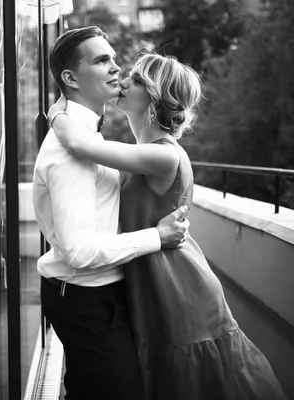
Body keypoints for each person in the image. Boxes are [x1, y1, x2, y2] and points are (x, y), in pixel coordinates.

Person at [48, 52, 285, 399]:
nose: (123, 82)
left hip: (176, 287)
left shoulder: (164, 155)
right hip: (153, 278)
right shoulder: (145, 150)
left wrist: (58, 109)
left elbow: (79, 144)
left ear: (158, 97)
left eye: (139, 80)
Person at [32, 26, 190, 400]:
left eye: (115, 59)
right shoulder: (71, 152)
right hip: (88, 297)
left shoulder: (90, 141)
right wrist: (157, 237)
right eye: (103, 60)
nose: (116, 68)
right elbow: (81, 253)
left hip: (107, 292)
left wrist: (57, 115)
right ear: (71, 78)